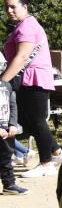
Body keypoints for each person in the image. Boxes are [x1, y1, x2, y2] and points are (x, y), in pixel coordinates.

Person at [1, 0, 62, 178]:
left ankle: (46, 163)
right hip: (30, 78)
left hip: (33, 77)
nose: (9, 10)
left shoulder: (27, 26)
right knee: (31, 121)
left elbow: (21, 56)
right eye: (6, 7)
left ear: (25, 6)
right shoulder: (24, 25)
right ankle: (56, 153)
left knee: (37, 121)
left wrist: (3, 81)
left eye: (13, 6)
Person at [0, 56, 27, 194]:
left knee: (6, 158)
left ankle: (9, 184)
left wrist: (12, 124)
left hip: (6, 129)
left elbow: (12, 105)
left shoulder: (7, 84)